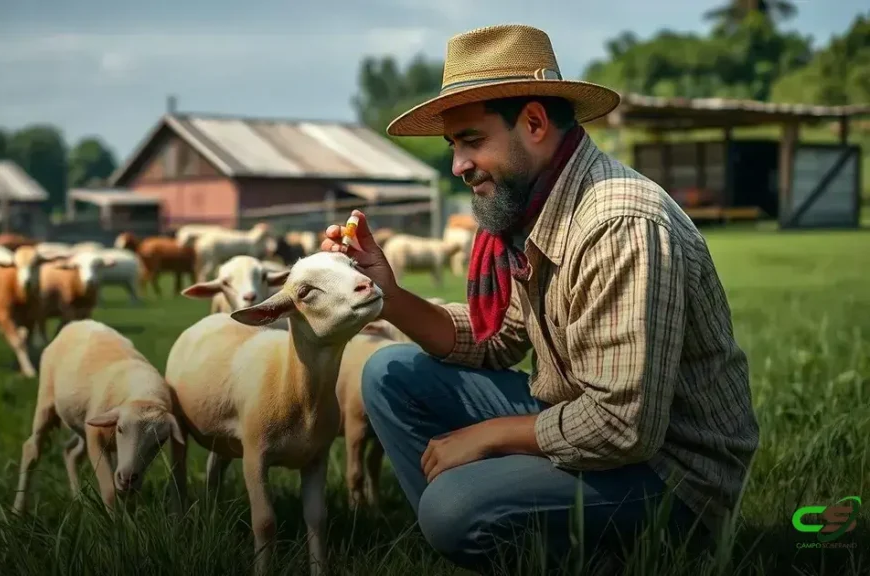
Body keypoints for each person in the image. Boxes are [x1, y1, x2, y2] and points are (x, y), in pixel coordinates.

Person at [321, 24, 760, 574]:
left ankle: (581, 548)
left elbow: (624, 427)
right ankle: (518, 537)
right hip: (584, 421)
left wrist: (488, 437)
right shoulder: (533, 208)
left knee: (454, 507)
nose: (458, 165)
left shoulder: (616, 224)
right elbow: (496, 340)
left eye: (471, 140)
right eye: (453, 144)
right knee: (389, 374)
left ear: (533, 123)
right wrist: (387, 295)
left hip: (671, 472)